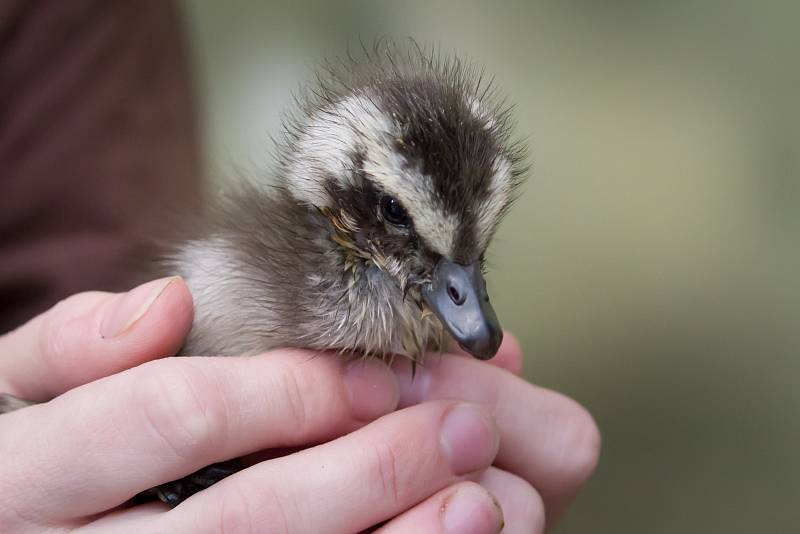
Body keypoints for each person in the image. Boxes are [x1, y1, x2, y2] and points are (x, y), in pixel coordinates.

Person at [0, 2, 599, 532]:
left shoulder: (74, 29)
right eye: (396, 214)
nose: (471, 311)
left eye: (472, 258)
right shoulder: (238, 285)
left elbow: (82, 285)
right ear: (345, 194)